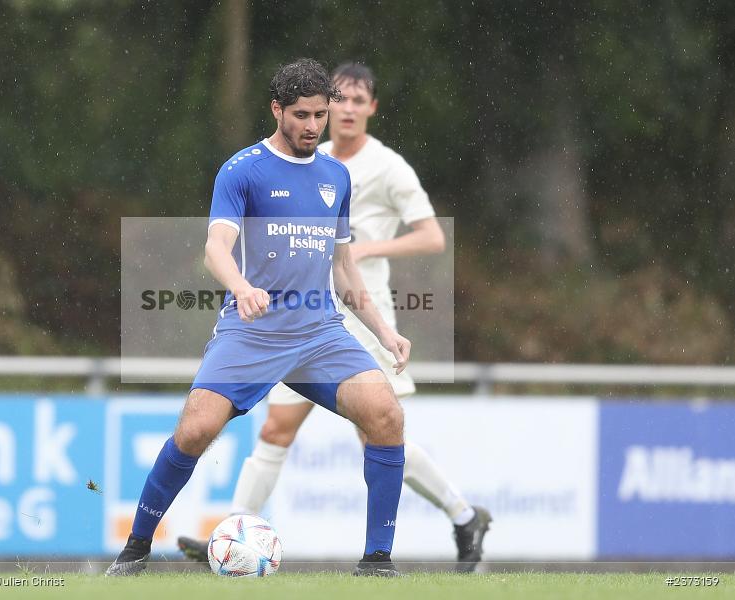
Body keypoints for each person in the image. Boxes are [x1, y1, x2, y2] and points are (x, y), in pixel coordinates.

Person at [178, 63, 492, 573]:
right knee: (277, 426)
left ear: (372, 108)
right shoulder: (308, 152)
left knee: (378, 432)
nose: (344, 110)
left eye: (357, 100)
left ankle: (461, 514)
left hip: (361, 309)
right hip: (300, 313)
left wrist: (366, 250)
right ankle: (238, 533)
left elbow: (432, 236)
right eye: (337, 101)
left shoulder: (388, 167)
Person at [107, 58, 411, 578]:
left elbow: (343, 264)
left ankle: (377, 560)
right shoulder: (243, 168)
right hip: (252, 334)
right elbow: (215, 248)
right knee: (195, 432)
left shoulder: (336, 176)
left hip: (319, 334)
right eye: (301, 115)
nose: (313, 126)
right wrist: (242, 287)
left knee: (386, 415)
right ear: (277, 110)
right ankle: (135, 548)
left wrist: (385, 332)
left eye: (320, 114)